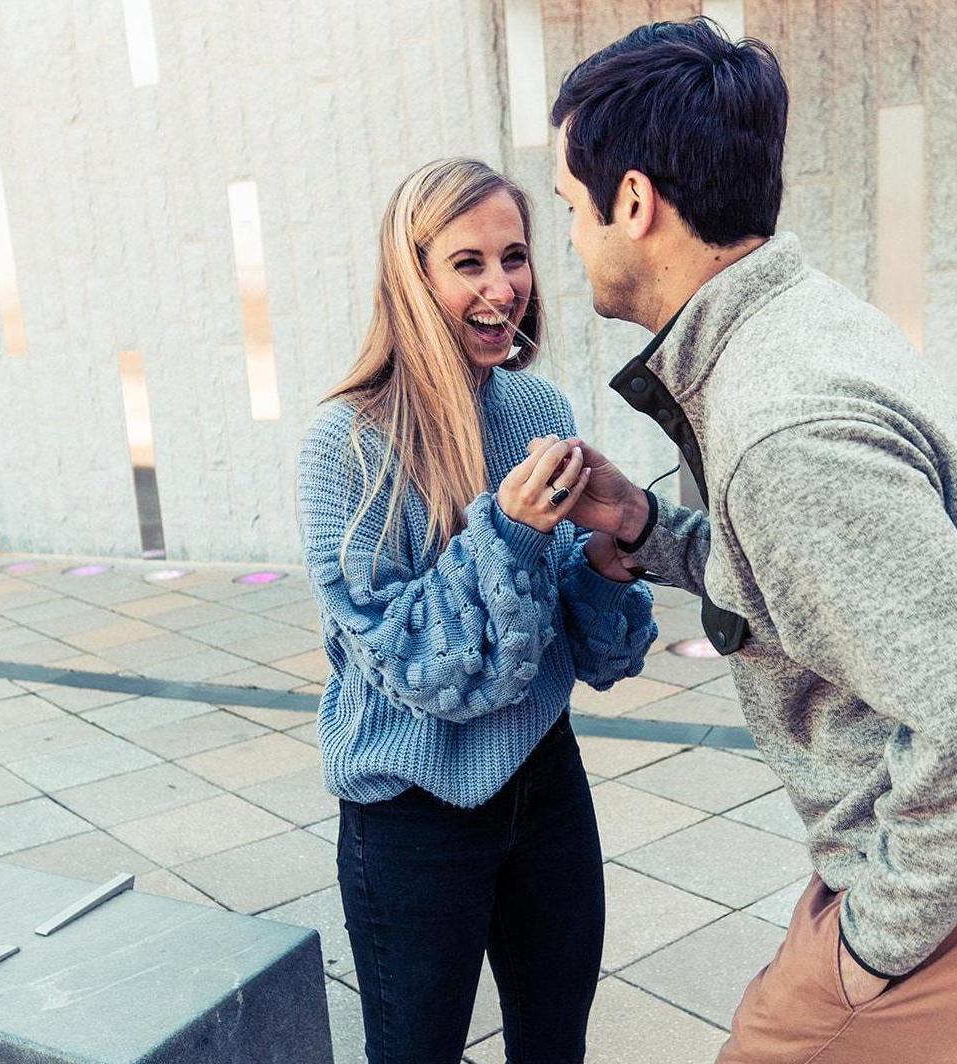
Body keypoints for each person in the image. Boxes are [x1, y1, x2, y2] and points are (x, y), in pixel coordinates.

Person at [547, 17, 957, 1064]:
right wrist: (643, 526)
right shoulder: (794, 326)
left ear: (631, 202)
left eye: (567, 208)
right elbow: (791, 580)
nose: (569, 239)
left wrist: (872, 948)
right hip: (928, 857)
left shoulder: (781, 422)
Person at [297, 157, 657, 1064]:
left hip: (546, 784)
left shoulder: (537, 405)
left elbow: (587, 646)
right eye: (468, 263)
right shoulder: (342, 446)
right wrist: (507, 531)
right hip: (412, 814)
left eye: (516, 256)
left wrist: (610, 566)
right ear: (413, 276)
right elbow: (416, 663)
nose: (503, 287)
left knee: (555, 1044)